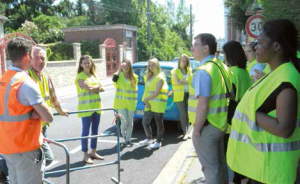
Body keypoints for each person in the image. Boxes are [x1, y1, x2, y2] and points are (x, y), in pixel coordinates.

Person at [227, 19, 300, 184]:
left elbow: (284, 129)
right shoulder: (275, 73)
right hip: (264, 168)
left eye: (259, 43)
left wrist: (250, 111)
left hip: (274, 172)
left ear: (276, 46)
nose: (255, 47)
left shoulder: (286, 78)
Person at [0, 38, 53, 184]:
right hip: (25, 148)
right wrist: (39, 113)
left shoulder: (4, 78)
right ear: (27, 55)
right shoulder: (25, 82)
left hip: (7, 146)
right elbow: (48, 117)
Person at [191, 33, 231, 184]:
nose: (192, 48)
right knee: (220, 165)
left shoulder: (203, 71)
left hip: (207, 127)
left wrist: (196, 130)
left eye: (195, 45)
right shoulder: (221, 66)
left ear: (206, 48)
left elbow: (203, 104)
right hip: (221, 124)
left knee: (210, 168)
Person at [28, 47, 68, 166]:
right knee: (45, 158)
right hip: (33, 126)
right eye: (36, 58)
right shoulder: (26, 75)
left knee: (38, 158)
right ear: (29, 58)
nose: (40, 61)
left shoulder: (45, 75)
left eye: (43, 58)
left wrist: (60, 110)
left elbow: (52, 95)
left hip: (43, 124)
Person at [222, 41, 252, 184]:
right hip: (245, 120)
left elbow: (230, 97)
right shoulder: (244, 72)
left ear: (229, 55)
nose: (223, 56)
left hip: (232, 123)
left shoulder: (231, 72)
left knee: (232, 161)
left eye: (224, 53)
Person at [75, 55, 105, 164]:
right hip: (86, 108)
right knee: (85, 132)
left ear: (91, 63)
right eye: (85, 63)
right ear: (81, 64)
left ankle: (93, 152)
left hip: (96, 107)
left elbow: (103, 88)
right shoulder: (80, 76)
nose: (87, 64)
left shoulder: (94, 75)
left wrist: (94, 88)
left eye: (89, 62)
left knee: (95, 131)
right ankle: (85, 155)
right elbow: (88, 88)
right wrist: (96, 88)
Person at [139, 58, 168, 149]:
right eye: (149, 65)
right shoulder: (149, 76)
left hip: (158, 104)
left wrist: (146, 99)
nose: (151, 67)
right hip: (149, 103)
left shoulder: (160, 77)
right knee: (145, 122)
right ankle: (149, 139)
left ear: (157, 65)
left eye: (153, 65)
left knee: (159, 124)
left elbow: (156, 92)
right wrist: (145, 101)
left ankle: (158, 142)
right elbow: (147, 90)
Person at [112, 59, 138, 146]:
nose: (126, 67)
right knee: (124, 122)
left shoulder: (134, 77)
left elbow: (135, 91)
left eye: (128, 65)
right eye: (124, 65)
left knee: (130, 122)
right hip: (121, 103)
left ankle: (128, 139)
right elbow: (114, 80)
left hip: (131, 103)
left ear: (130, 66)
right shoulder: (118, 75)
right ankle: (123, 134)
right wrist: (119, 69)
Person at [171, 54, 192, 140]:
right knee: (183, 114)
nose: (184, 62)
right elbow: (176, 82)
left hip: (189, 93)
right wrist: (185, 81)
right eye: (182, 60)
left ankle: (188, 131)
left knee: (189, 113)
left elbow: (191, 81)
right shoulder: (174, 71)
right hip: (179, 95)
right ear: (179, 60)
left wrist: (183, 81)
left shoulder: (189, 70)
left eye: (185, 60)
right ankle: (185, 132)